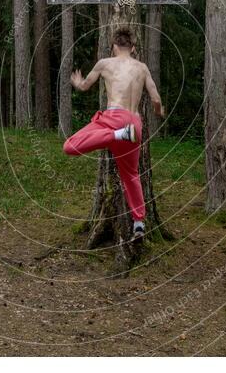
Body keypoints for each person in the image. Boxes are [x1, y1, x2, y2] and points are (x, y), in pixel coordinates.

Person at [63, 27, 164, 240]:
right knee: (131, 175)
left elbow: (85, 85)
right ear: (133, 47)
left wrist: (77, 83)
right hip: (134, 123)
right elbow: (155, 99)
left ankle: (117, 135)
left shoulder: (104, 63)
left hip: (112, 120)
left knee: (70, 146)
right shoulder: (142, 68)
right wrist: (159, 112)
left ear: (114, 46)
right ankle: (139, 223)